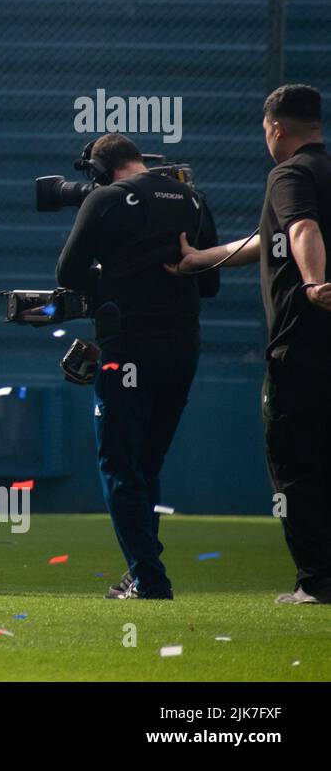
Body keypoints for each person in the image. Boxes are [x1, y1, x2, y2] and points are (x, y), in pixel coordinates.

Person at [172, 84, 331, 604]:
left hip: (302, 345)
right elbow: (273, 237)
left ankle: (317, 582)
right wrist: (200, 260)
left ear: (276, 129)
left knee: (294, 462)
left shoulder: (288, 174)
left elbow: (301, 228)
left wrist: (312, 283)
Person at [56, 132, 219, 599]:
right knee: (147, 463)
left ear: (100, 170)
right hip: (184, 348)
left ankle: (150, 579)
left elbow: (67, 273)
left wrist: (116, 280)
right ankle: (142, 570)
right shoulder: (193, 199)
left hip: (129, 349)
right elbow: (209, 285)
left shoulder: (104, 199)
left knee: (120, 465)